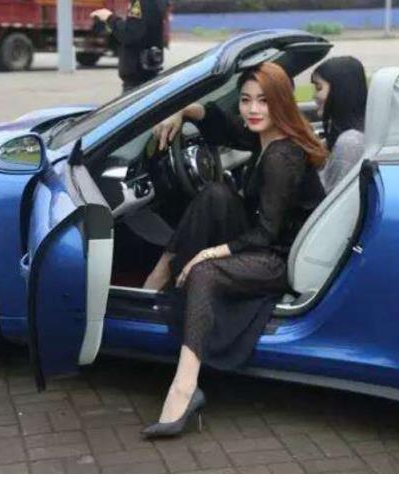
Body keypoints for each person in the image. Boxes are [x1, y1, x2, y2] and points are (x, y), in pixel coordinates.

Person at [141, 62, 328, 438]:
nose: (253, 109)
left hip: (280, 259)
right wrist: (184, 110)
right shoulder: (265, 136)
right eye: (246, 100)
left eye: (264, 101)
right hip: (269, 242)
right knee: (214, 194)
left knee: (203, 272)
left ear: (282, 102)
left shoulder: (282, 156)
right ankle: (158, 276)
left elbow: (266, 234)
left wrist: (210, 253)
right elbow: (226, 127)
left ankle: (184, 389)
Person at [311, 56, 368, 193]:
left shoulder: (349, 143)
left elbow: (331, 200)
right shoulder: (356, 135)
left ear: (339, 91)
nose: (314, 96)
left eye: (319, 88)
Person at [91, 0, 166, 92]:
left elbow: (130, 34)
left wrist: (109, 18)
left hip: (138, 78)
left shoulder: (141, 2)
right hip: (143, 73)